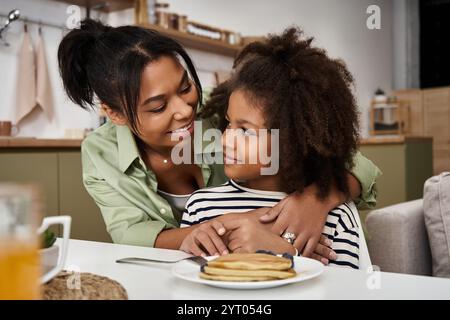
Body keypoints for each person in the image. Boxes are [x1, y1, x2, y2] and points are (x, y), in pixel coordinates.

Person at [57, 20, 381, 262]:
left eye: (185, 87)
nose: (186, 111)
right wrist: (233, 226)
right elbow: (131, 236)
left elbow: (348, 159)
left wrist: (314, 201)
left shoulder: (222, 106)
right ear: (115, 114)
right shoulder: (101, 153)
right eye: (158, 106)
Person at [180, 27, 364, 268]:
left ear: (293, 141)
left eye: (245, 131)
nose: (224, 140)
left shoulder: (335, 218)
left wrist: (283, 254)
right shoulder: (201, 207)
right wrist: (187, 251)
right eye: (228, 124)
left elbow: (343, 293)